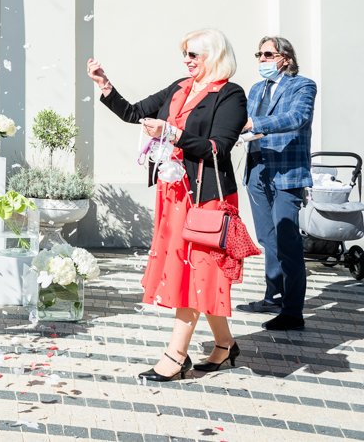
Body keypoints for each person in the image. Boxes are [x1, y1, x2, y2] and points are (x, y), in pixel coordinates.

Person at [88, 29, 249, 381]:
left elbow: (217, 148)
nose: (187, 61)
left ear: (214, 56)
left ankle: (176, 355)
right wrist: (105, 86)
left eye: (194, 55)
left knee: (194, 273)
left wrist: (172, 134)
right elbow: (133, 113)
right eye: (185, 55)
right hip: (174, 195)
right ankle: (224, 345)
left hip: (205, 198)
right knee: (193, 271)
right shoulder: (179, 87)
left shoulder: (231, 95)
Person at [236, 37, 317, 331]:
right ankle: (274, 296)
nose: (262, 59)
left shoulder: (303, 86)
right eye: (259, 54)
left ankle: (293, 312)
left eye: (268, 54)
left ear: (285, 58)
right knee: (268, 237)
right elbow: (242, 120)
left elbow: (298, 117)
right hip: (258, 170)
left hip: (287, 172)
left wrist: (254, 125)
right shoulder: (257, 89)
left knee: (287, 240)